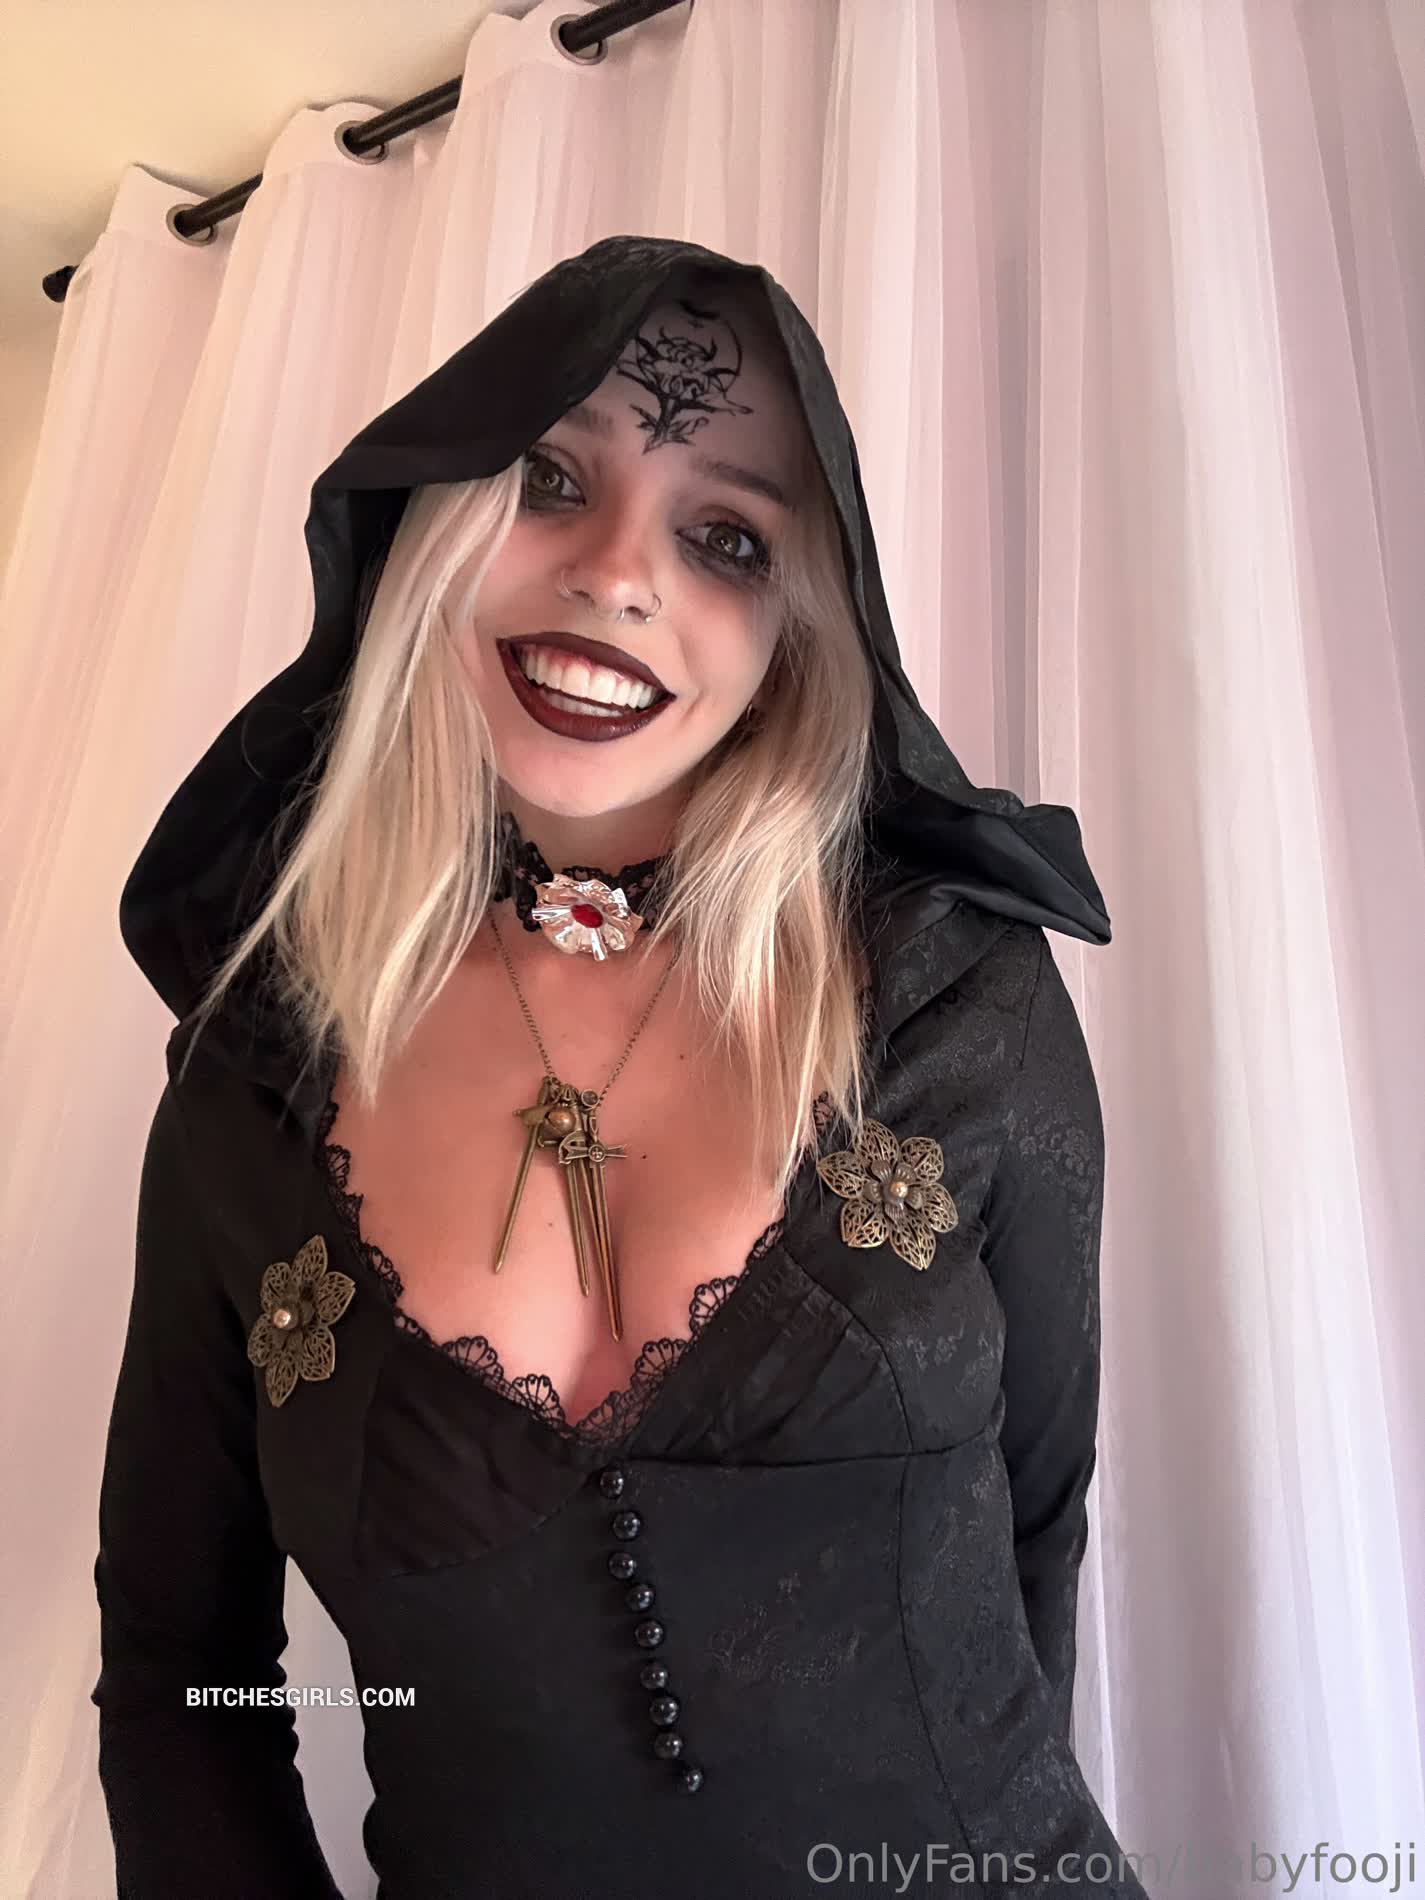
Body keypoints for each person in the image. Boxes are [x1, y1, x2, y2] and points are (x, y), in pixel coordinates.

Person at [92, 234, 1148, 1899]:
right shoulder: (252, 1082)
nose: (614, 575)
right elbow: (184, 1670)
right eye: (547, 479)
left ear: (798, 626)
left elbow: (1036, 1519)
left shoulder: (959, 997)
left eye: (727, 537)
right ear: (428, 520)